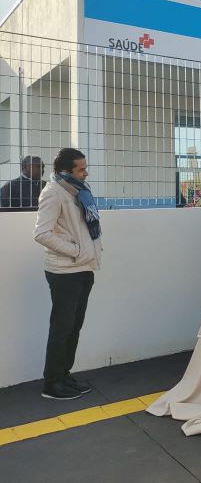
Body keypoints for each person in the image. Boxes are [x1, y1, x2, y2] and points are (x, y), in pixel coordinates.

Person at [33, 148, 101, 400]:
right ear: (65, 171)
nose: (86, 172)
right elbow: (41, 233)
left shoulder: (79, 190)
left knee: (74, 327)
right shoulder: (53, 192)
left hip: (83, 268)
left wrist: (84, 255)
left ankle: (64, 374)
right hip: (64, 271)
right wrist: (76, 251)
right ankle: (52, 383)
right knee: (62, 328)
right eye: (81, 169)